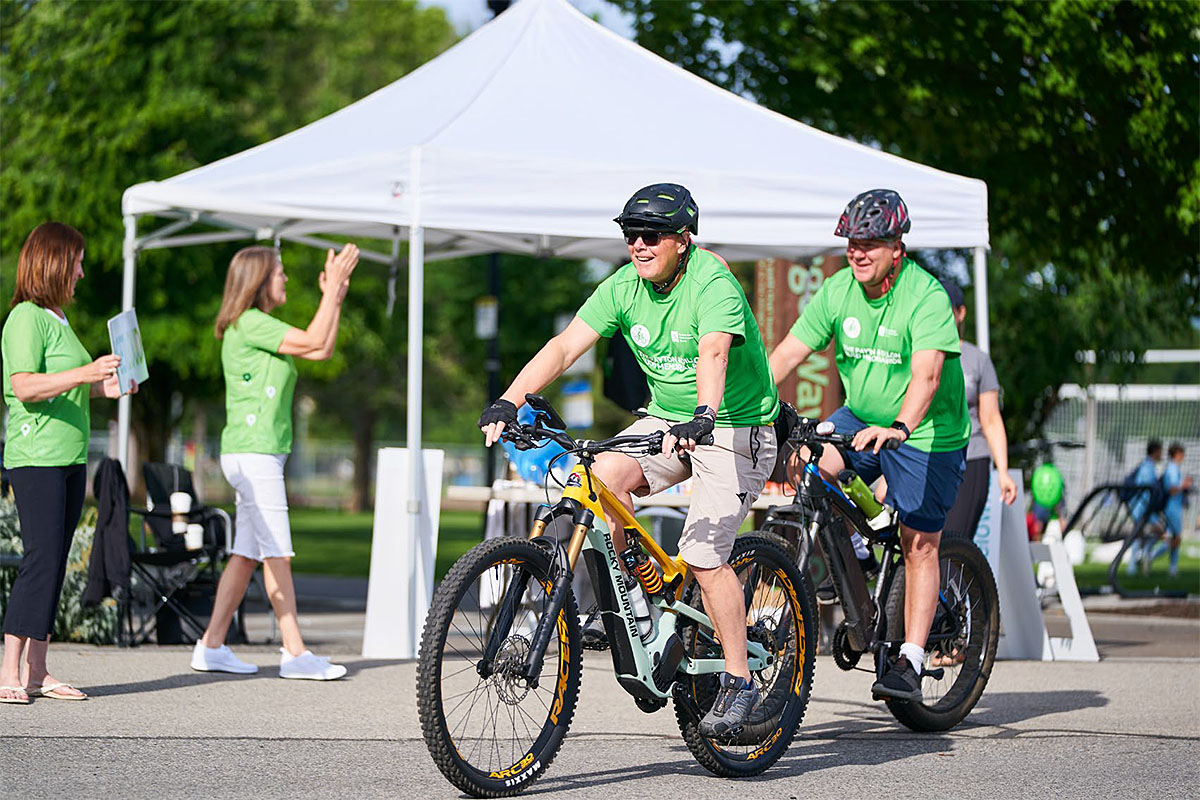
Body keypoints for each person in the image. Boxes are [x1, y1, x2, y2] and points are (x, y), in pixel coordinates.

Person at [478, 183, 779, 738]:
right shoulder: (623, 286)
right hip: (666, 419)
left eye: (651, 235)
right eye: (630, 234)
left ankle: (740, 682)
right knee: (593, 480)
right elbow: (565, 346)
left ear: (683, 239)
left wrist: (704, 416)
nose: (638, 244)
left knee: (704, 556)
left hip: (735, 425)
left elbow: (714, 352)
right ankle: (637, 608)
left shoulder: (712, 282)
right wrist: (509, 400)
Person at [768, 189, 969, 704]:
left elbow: (926, 378)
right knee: (811, 465)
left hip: (927, 431)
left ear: (897, 248)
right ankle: (852, 560)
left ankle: (912, 659)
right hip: (860, 415)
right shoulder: (839, 289)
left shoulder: (926, 296)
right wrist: (745, 407)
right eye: (852, 243)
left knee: (919, 543)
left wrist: (900, 426)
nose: (857, 252)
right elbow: (788, 353)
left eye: (870, 243)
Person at [190, 243, 358, 680]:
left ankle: (211, 646)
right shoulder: (250, 323)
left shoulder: (256, 325)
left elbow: (320, 350)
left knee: (247, 554)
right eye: (279, 272)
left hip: (253, 453)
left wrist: (336, 296)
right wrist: (331, 289)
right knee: (277, 552)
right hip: (255, 456)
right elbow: (316, 340)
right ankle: (295, 652)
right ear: (259, 281)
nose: (285, 278)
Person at [1, 222, 138, 704]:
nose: (81, 272)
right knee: (40, 558)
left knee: (55, 561)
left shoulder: (58, 318)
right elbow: (24, 386)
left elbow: (69, 386)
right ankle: (8, 671)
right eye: (76, 263)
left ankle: (38, 671)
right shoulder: (25, 317)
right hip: (36, 457)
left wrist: (106, 386)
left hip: (69, 457)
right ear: (55, 263)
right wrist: (86, 372)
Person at [938, 279, 1018, 539]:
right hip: (929, 458)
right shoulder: (917, 354)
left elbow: (991, 418)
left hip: (971, 458)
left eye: (945, 309)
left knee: (953, 541)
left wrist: (1003, 471)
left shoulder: (977, 360)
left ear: (960, 312)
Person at [1148, 442, 1191, 578]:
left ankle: (1172, 568)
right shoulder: (1172, 469)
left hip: (1174, 507)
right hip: (1172, 508)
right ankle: (1151, 556)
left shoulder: (1174, 468)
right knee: (1176, 538)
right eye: (1182, 454)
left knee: (1171, 537)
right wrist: (1184, 485)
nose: (1183, 456)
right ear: (1177, 454)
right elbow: (1172, 490)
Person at [1125, 439, 1164, 576]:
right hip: (1142, 507)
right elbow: (1144, 490)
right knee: (1158, 533)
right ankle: (1137, 563)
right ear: (1155, 451)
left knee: (1141, 535)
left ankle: (1140, 561)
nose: (1162, 454)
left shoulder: (1149, 466)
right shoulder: (1147, 468)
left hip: (1144, 507)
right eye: (1160, 451)